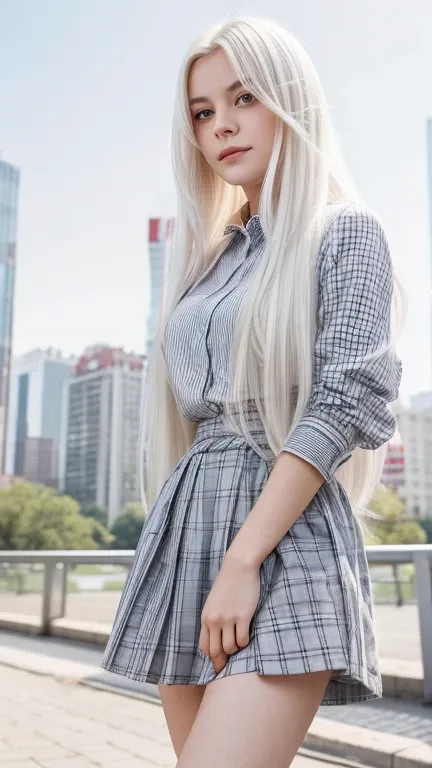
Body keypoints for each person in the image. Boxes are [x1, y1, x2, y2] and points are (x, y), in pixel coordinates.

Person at [101, 15, 406, 768]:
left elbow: (345, 397)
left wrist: (243, 561)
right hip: (187, 527)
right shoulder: (208, 262)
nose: (221, 127)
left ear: (289, 99)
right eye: (203, 112)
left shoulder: (345, 232)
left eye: (243, 99)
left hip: (282, 535)